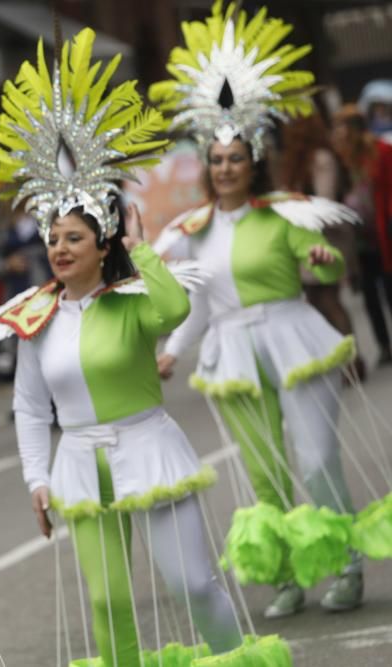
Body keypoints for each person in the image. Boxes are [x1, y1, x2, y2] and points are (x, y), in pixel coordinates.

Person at [0, 27, 271, 667]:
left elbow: (176, 309)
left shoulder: (133, 296)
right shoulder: (35, 315)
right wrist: (36, 478)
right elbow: (29, 407)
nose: (59, 248)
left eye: (75, 238)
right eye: (54, 238)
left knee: (192, 584)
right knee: (107, 605)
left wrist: (139, 248)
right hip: (79, 462)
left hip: (148, 447)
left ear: (102, 246)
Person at [151, 0, 365, 617]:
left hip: (294, 336)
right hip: (233, 349)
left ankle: (345, 565)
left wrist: (324, 260)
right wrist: (172, 353)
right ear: (206, 165)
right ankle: (285, 577)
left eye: (235, 159)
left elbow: (329, 263)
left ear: (254, 162)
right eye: (215, 160)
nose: (224, 169)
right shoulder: (191, 230)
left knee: (317, 456)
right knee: (262, 469)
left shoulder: (286, 211)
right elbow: (196, 304)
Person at [279, 114, 364, 377]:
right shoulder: (298, 161)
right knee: (317, 300)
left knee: (329, 299)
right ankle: (339, 357)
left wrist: (293, 207)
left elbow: (323, 202)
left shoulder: (320, 159)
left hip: (327, 236)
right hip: (307, 236)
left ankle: (352, 360)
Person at [332, 104, 392, 365]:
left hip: (382, 230)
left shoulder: (381, 151)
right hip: (359, 239)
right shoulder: (343, 160)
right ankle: (384, 346)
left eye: (344, 128)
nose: (340, 134)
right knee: (369, 294)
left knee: (389, 289)